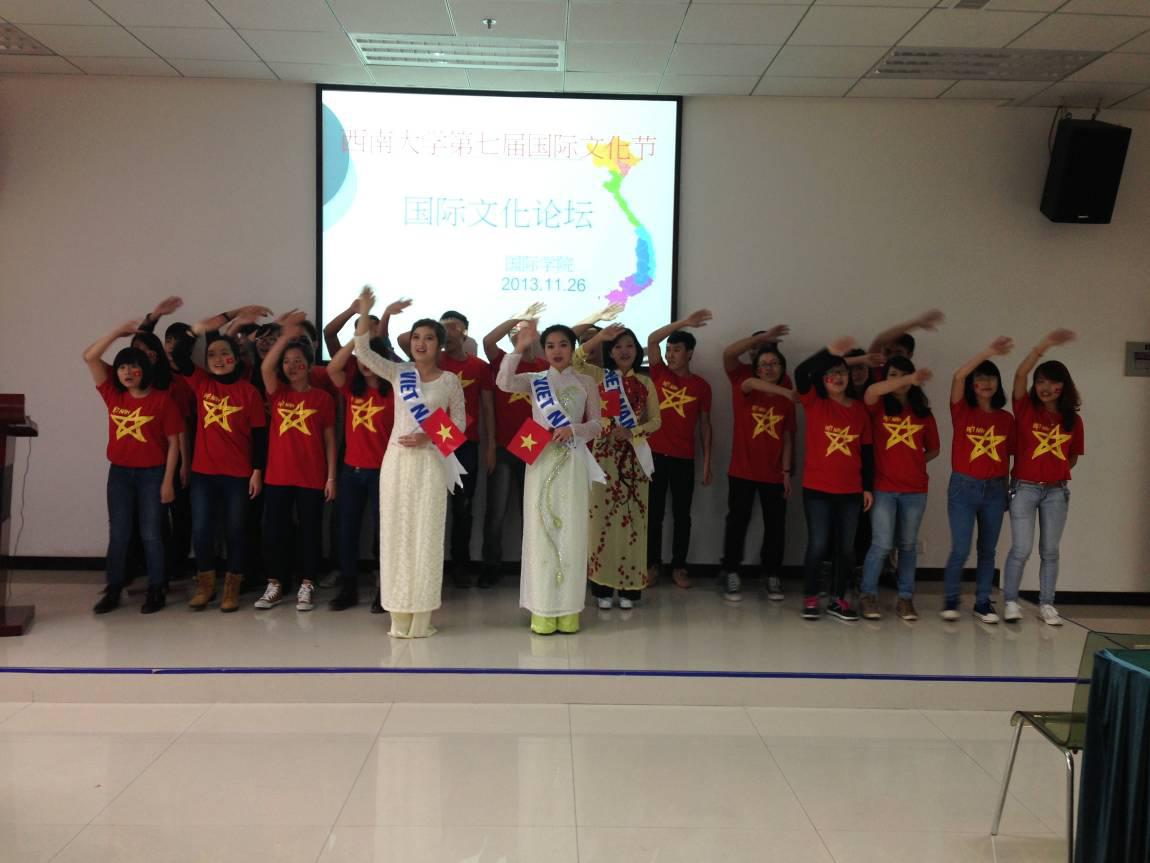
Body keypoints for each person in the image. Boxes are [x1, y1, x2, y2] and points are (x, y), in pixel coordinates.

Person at [353, 288, 466, 638]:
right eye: (416, 337)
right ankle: (398, 612)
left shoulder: (450, 381)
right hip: (397, 464)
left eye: (429, 338)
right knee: (396, 535)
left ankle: (422, 615)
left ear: (440, 345)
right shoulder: (399, 372)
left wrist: (429, 437)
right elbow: (363, 352)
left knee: (426, 536)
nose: (421, 343)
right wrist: (365, 312)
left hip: (430, 465)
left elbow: (460, 427)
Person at [497, 319, 604, 634]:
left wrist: (573, 429)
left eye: (563, 345)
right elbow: (504, 382)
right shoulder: (535, 380)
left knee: (571, 529)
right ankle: (542, 609)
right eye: (550, 345)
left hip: (573, 460)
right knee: (541, 528)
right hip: (540, 460)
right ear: (543, 350)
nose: (557, 351)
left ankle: (569, 609)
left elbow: (597, 424)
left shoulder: (586, 382)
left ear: (573, 348)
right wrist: (519, 348)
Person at [174, 309, 270, 613]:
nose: (218, 359)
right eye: (212, 354)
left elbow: (260, 436)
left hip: (238, 476)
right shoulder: (202, 383)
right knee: (202, 531)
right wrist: (199, 328)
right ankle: (205, 587)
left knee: (235, 532)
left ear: (236, 358)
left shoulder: (249, 392)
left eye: (224, 353)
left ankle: (232, 589)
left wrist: (257, 471)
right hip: (203, 474)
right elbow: (178, 355)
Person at [84, 320, 182, 614]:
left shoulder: (163, 401)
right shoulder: (113, 396)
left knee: (151, 533)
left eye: (133, 367)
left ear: (145, 370)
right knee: (119, 532)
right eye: (122, 367)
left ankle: (157, 586)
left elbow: (174, 443)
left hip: (153, 474)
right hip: (120, 474)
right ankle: (114, 587)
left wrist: (168, 481)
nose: (127, 372)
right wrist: (116, 333)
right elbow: (89, 357)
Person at [399, 310, 494, 588]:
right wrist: (438, 332)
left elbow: (487, 407)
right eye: (445, 328)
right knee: (427, 502)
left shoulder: (478, 366)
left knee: (462, 506)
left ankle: (460, 564)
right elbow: (403, 339)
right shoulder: (431, 358)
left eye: (456, 327)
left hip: (464, 443)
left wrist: (490, 446)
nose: (450, 331)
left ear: (466, 333)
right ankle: (427, 565)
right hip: (428, 444)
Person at [576, 323, 661, 609]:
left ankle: (629, 589)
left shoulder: (646, 383)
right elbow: (576, 360)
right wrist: (599, 337)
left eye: (630, 346)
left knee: (633, 522)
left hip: (635, 459)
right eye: (618, 346)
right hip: (603, 457)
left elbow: (656, 421)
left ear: (637, 351)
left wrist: (633, 431)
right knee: (601, 521)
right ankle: (602, 587)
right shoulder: (599, 376)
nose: (624, 351)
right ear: (610, 352)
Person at [256, 315, 337, 612]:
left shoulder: (322, 398)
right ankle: (275, 583)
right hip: (278, 475)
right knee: (274, 531)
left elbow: (330, 440)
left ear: (310, 364)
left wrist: (331, 477)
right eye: (287, 361)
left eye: (298, 360)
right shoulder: (278, 392)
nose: (292, 366)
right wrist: (284, 338)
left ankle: (307, 583)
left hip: (312, 476)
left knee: (310, 532)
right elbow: (265, 367)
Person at [1002, 329, 1083, 626]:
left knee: (1050, 550)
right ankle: (1011, 601)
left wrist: (1054, 471)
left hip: (1056, 492)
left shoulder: (1073, 420)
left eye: (1052, 382)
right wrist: (1044, 345)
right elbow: (1020, 374)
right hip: (1024, 488)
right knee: (1021, 548)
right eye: (1040, 382)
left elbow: (1072, 457)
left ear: (1064, 386)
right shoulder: (1025, 409)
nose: (1046, 388)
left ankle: (1047, 604)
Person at [795, 338, 875, 621]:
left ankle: (838, 599)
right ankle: (811, 597)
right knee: (818, 544)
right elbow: (801, 371)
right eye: (831, 373)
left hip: (851, 491)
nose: (838, 378)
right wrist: (828, 352)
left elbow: (867, 452)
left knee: (846, 548)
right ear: (823, 379)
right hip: (816, 489)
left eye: (842, 372)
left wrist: (867, 487)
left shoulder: (860, 410)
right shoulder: (814, 403)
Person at [858, 357, 939, 621]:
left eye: (905, 374)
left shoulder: (923, 413)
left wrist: (913, 462)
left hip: (915, 490)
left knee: (907, 545)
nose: (900, 380)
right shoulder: (878, 406)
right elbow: (870, 391)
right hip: (883, 487)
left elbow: (934, 449)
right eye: (893, 374)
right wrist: (908, 379)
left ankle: (905, 598)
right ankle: (868, 594)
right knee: (881, 544)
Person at [941, 337, 1016, 623]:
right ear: (972, 385)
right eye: (980, 379)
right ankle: (951, 599)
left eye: (991, 378)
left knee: (987, 550)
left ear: (998, 383)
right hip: (963, 487)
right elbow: (958, 376)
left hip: (995, 489)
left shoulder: (1006, 419)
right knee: (960, 548)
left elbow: (1007, 458)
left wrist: (1006, 489)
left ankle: (983, 602)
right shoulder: (962, 411)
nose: (986, 383)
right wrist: (988, 352)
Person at [717, 329, 794, 602]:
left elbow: (788, 435)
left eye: (774, 363)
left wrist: (787, 472)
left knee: (776, 525)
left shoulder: (787, 388)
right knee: (737, 522)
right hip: (743, 470)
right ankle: (731, 571)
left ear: (781, 366)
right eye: (763, 363)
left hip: (774, 473)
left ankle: (772, 574)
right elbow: (742, 371)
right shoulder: (745, 379)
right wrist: (785, 392)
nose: (769, 368)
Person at [481, 303, 549, 589]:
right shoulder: (501, 361)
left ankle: (533, 569)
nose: (520, 334)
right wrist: (518, 318)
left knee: (532, 512)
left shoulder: (544, 367)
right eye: (515, 332)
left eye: (525, 331)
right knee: (495, 513)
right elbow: (487, 340)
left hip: (535, 445)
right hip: (503, 445)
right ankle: (490, 567)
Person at [644, 310, 714, 589]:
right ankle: (652, 565)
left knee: (682, 516)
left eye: (676, 350)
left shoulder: (702, 386)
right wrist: (684, 322)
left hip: (684, 459)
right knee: (654, 515)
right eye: (669, 350)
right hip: (655, 456)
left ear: (690, 354)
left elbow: (705, 426)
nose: (670, 355)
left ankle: (679, 566)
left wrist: (707, 462)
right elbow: (652, 340)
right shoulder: (659, 373)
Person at [326, 333, 395, 611]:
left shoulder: (395, 391)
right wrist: (357, 342)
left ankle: (384, 589)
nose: (366, 363)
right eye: (361, 358)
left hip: (383, 471)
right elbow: (333, 368)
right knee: (347, 530)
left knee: (383, 533)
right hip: (351, 470)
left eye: (372, 357)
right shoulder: (351, 388)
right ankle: (349, 586)